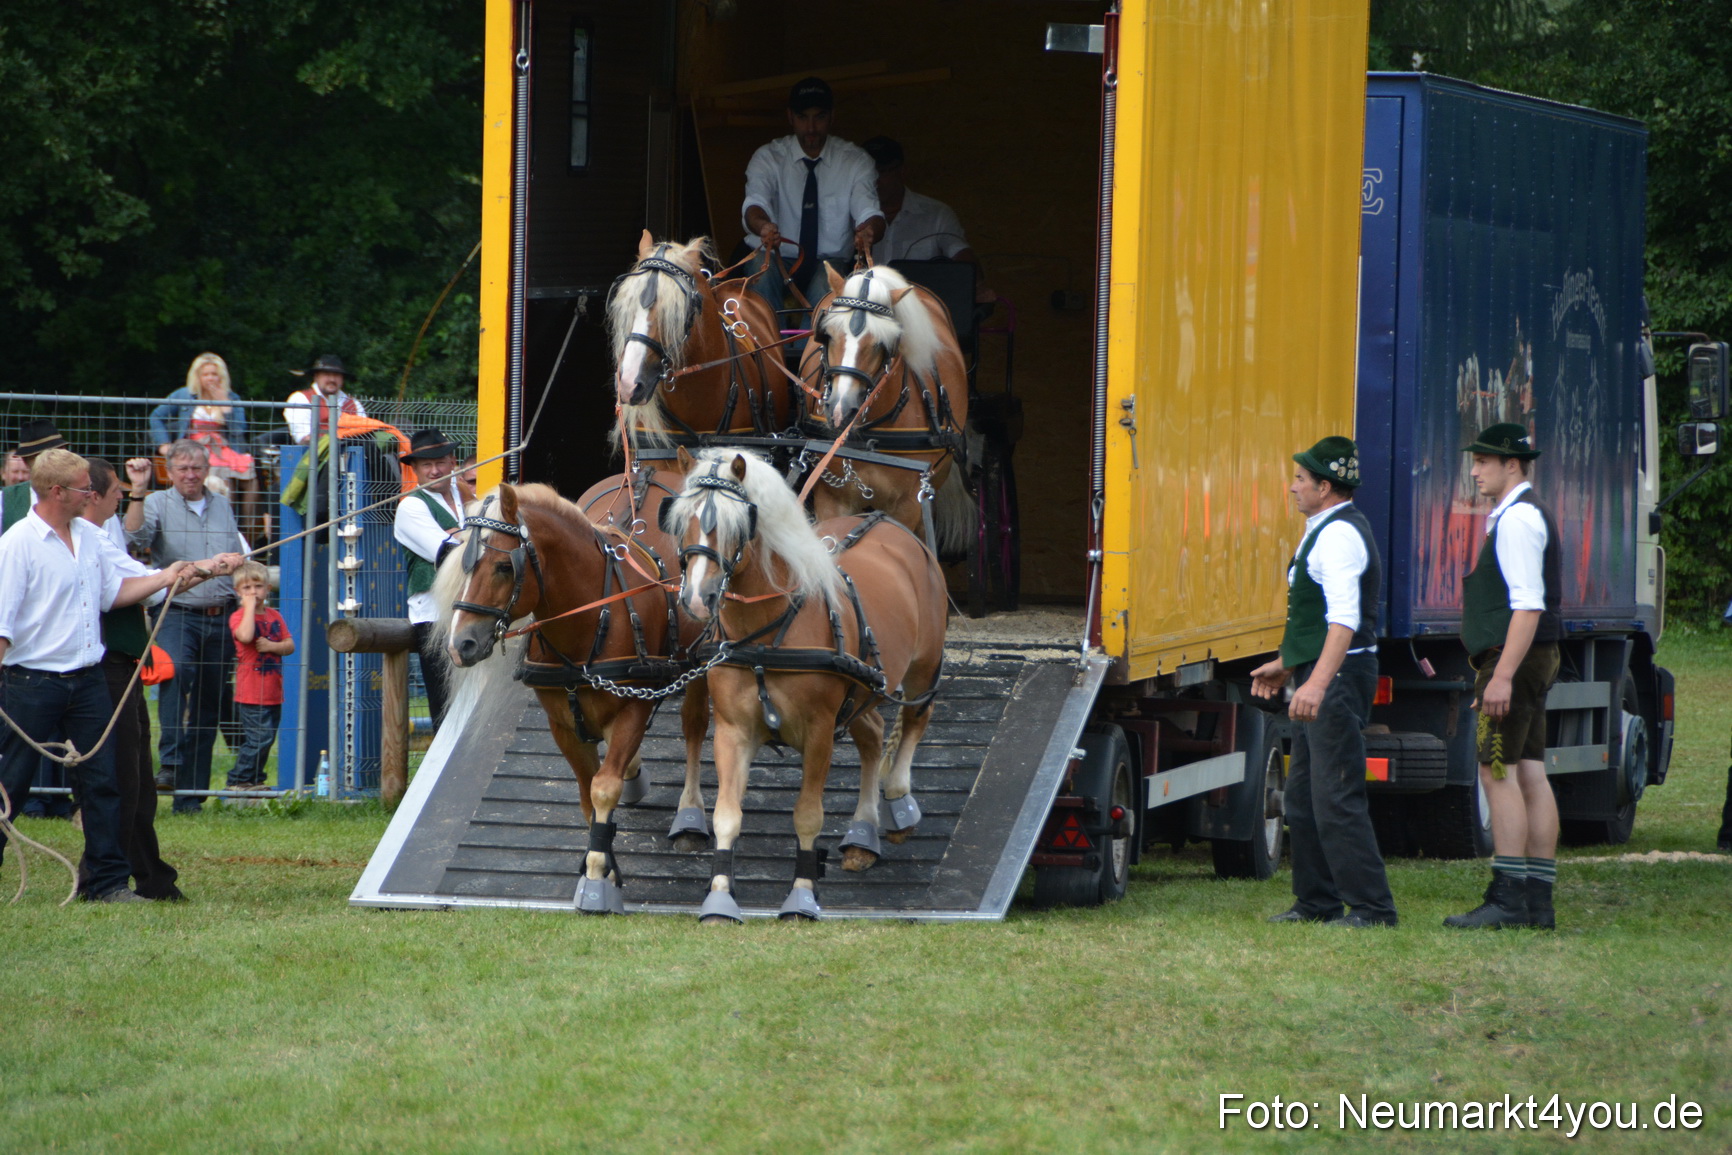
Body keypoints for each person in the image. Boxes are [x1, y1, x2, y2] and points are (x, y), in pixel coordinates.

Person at [0, 449, 205, 902]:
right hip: (31, 682)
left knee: (104, 782)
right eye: (83, 488)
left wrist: (165, 577)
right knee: (9, 781)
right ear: (57, 492)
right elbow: (1, 624)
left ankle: (107, 883)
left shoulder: (89, 536)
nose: (91, 494)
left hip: (88, 678)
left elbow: (113, 595)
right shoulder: (17, 544)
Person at [1251, 436, 1397, 928]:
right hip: (1324, 670)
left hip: (1340, 674)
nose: (1293, 487)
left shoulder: (1337, 537)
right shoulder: (1327, 528)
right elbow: (1316, 620)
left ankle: (1373, 909)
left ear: (1325, 487)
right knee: (1303, 796)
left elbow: (1344, 620)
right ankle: (1316, 902)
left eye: (1300, 479)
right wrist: (1288, 664)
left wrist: (1316, 684)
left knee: (1336, 794)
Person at [81, 458, 233, 898]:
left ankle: (148, 878)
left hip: (122, 663)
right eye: (116, 490)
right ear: (93, 496)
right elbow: (131, 589)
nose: (122, 496)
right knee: (117, 777)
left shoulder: (102, 533)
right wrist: (202, 567)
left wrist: (206, 567)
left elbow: (149, 585)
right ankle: (110, 878)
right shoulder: (88, 537)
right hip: (101, 666)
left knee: (134, 780)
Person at [1444, 422, 1562, 930]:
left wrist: (1502, 675)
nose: (1474, 472)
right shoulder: (1524, 513)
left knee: (1498, 773)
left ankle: (1508, 899)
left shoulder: (1517, 519)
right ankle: (1538, 902)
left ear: (1511, 464)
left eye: (1482, 462)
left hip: (1514, 657)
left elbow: (1528, 605)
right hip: (1533, 656)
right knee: (1529, 771)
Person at [124, 440, 249, 814]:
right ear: (170, 471)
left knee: (211, 702)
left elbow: (238, 555)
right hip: (177, 612)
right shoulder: (157, 503)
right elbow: (134, 538)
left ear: (207, 470)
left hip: (221, 615)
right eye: (182, 468)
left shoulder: (223, 504)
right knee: (175, 673)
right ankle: (171, 762)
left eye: (196, 468)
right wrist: (138, 491)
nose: (190, 475)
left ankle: (190, 797)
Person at [740, 77, 884, 311]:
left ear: (832, 117)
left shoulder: (855, 161)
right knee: (760, 270)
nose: (811, 128)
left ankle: (812, 337)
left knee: (826, 286)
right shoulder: (768, 157)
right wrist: (763, 226)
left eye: (819, 117)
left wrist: (869, 231)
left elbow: (869, 212)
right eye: (802, 117)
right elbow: (755, 204)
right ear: (790, 117)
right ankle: (768, 336)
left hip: (829, 260)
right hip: (776, 257)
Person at [2, 419, 74, 818]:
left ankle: (59, 798)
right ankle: (25, 804)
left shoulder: (80, 502)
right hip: (22, 641)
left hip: (67, 639)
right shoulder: (7, 504)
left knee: (69, 737)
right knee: (19, 745)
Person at [861, 136, 993, 301]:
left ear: (901, 171)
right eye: (867, 173)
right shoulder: (847, 215)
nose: (874, 181)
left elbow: (961, 257)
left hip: (919, 309)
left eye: (881, 172)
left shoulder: (936, 214)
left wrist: (976, 287)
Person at [393, 428, 464, 731]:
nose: (434, 470)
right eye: (426, 465)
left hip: (472, 612)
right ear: (415, 469)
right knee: (446, 707)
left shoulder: (466, 497)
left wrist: (459, 535)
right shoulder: (411, 506)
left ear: (452, 461)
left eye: (440, 462)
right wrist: (466, 537)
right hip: (435, 616)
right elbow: (450, 555)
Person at [228, 561, 293, 790]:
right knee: (259, 738)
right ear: (238, 592)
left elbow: (289, 645)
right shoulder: (238, 617)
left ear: (268, 588)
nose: (253, 592)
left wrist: (272, 646)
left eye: (258, 586)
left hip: (273, 690)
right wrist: (248, 608)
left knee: (267, 738)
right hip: (251, 692)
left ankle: (255, 779)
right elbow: (246, 637)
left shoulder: (274, 615)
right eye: (247, 588)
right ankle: (238, 779)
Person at [283, 354, 368, 446]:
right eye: (326, 374)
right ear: (316, 377)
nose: (332, 379)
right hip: (314, 453)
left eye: (336, 375)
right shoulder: (300, 399)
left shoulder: (354, 403)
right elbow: (304, 438)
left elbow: (365, 435)